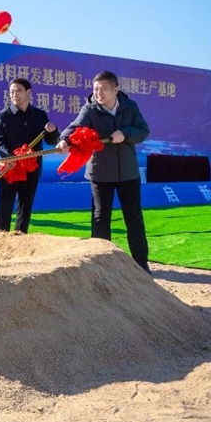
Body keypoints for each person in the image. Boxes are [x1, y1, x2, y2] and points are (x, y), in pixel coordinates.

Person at [58, 70, 152, 273]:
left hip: (128, 172)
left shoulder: (130, 107)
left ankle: (141, 262)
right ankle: (101, 264)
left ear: (115, 89)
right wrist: (64, 140)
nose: (98, 93)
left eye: (103, 89)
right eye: (95, 89)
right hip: (100, 172)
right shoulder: (90, 109)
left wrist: (125, 134)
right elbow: (74, 128)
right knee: (101, 217)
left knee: (133, 216)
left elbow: (143, 131)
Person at [0, 78, 60, 234]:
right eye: (12, 92)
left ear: (28, 92)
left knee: (25, 205)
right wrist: (11, 158)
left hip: (32, 168)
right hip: (10, 168)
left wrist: (53, 130)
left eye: (18, 91)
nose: (15, 95)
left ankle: (20, 237)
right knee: (5, 205)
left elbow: (52, 140)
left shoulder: (39, 115)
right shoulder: (3, 116)